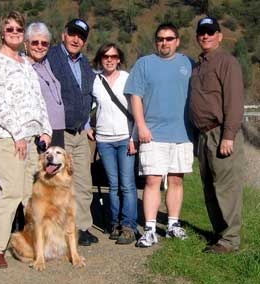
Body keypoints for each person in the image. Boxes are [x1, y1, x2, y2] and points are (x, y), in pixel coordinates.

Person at [0, 11, 52, 268]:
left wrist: (46, 129)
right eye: (9, 29)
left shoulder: (26, 63)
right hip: (7, 137)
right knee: (11, 192)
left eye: (18, 29)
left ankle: (29, 245)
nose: (14, 32)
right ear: (2, 32)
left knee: (28, 195)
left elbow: (38, 99)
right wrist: (17, 134)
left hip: (32, 138)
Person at [124, 23, 194, 248]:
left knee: (176, 179)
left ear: (177, 41)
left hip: (182, 133)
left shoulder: (188, 64)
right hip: (152, 133)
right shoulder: (145, 64)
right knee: (152, 180)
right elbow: (135, 96)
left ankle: (173, 224)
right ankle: (150, 229)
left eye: (169, 38)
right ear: (156, 42)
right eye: (160, 39)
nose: (164, 42)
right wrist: (141, 127)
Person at [190, 17, 244, 254]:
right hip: (203, 136)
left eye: (211, 32)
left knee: (226, 188)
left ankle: (230, 239)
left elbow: (234, 101)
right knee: (209, 188)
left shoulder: (227, 62)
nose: (206, 36)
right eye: (202, 32)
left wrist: (228, 135)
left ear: (220, 36)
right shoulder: (198, 65)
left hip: (220, 132)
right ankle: (220, 234)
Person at [47, 19, 98, 246]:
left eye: (81, 37)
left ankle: (81, 228)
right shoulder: (50, 57)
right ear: (64, 34)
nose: (76, 39)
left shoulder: (85, 64)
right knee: (59, 183)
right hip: (59, 133)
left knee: (83, 184)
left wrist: (87, 124)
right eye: (73, 34)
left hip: (80, 133)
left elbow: (87, 97)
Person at [88, 43, 138, 244]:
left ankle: (129, 225)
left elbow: (136, 108)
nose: (109, 59)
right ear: (100, 59)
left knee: (127, 184)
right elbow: (88, 105)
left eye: (113, 56)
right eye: (105, 56)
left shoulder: (127, 79)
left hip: (125, 137)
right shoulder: (95, 81)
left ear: (119, 59)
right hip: (104, 141)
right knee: (113, 185)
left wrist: (134, 137)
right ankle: (114, 223)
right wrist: (86, 126)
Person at [24, 22, 65, 147]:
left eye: (44, 43)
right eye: (35, 42)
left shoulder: (48, 63)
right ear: (26, 44)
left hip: (58, 128)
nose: (40, 46)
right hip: (40, 132)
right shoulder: (23, 67)